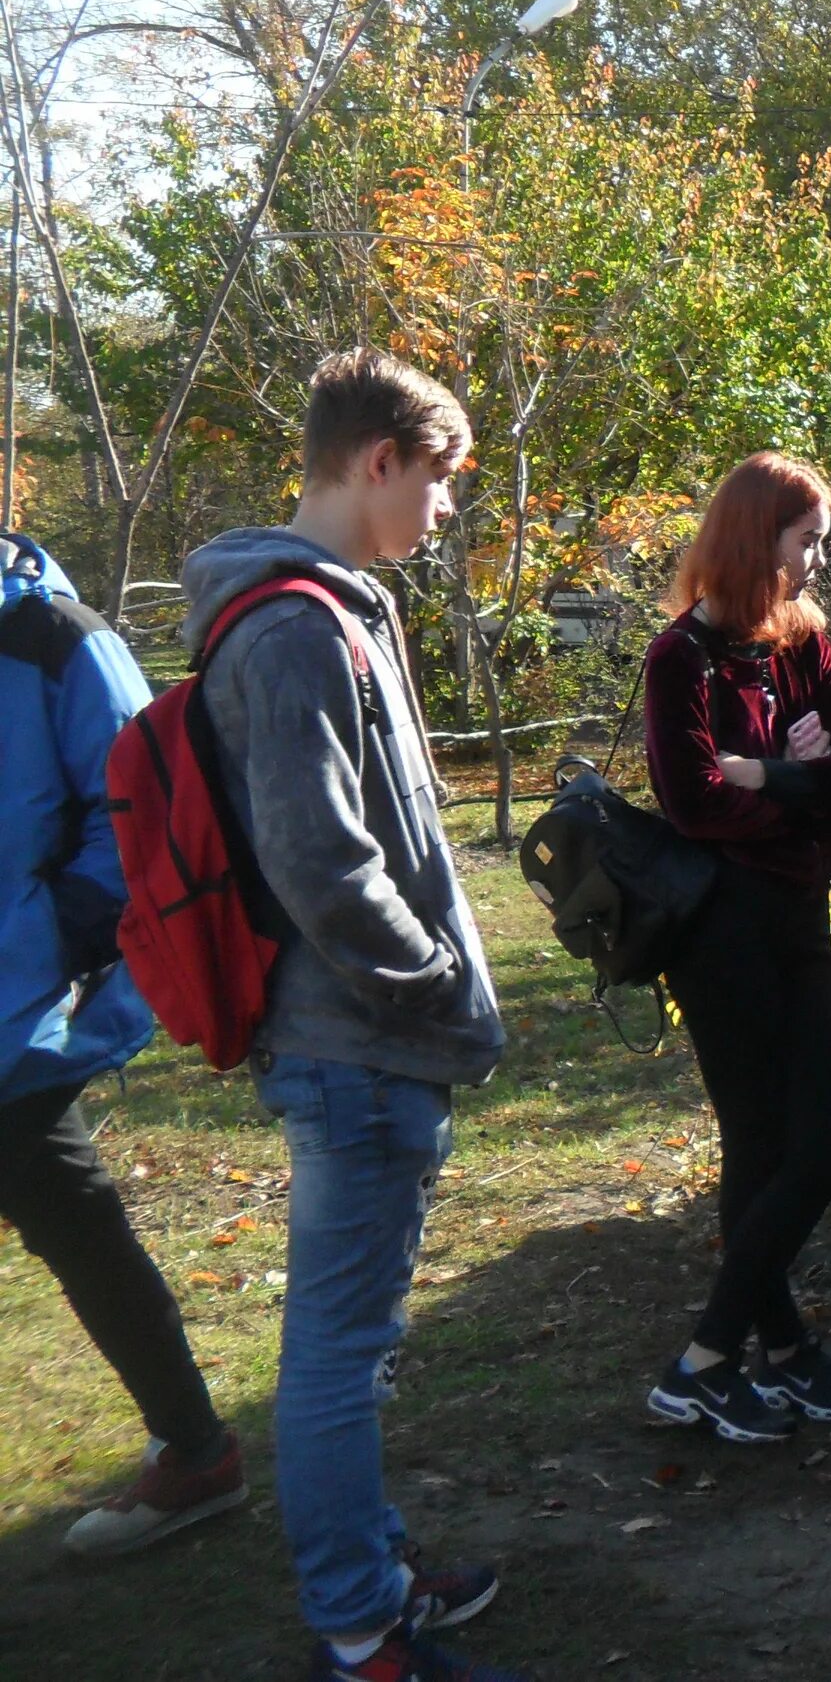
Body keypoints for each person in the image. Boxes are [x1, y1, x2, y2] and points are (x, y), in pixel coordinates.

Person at [179, 348, 523, 1682]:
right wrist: (428, 975)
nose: (445, 515)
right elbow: (320, 859)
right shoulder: (294, 628)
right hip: (355, 1041)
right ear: (379, 458)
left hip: (353, 1039)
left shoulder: (329, 607)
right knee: (335, 1352)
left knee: (351, 1341)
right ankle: (362, 1631)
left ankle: (371, 1569)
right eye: (440, 484)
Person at [0, 531, 242, 1557]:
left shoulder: (56, 638)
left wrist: (42, 940)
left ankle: (196, 1453)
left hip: (14, 1018)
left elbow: (143, 809)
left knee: (80, 1231)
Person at [640, 452, 831, 1443]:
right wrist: (793, 775)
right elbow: (694, 803)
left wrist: (761, 773)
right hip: (720, 934)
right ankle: (759, 1355)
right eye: (807, 541)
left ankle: (720, 1355)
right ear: (758, 539)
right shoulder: (679, 660)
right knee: (763, 1144)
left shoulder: (802, 646)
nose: (819, 562)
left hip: (795, 918)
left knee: (825, 1143)